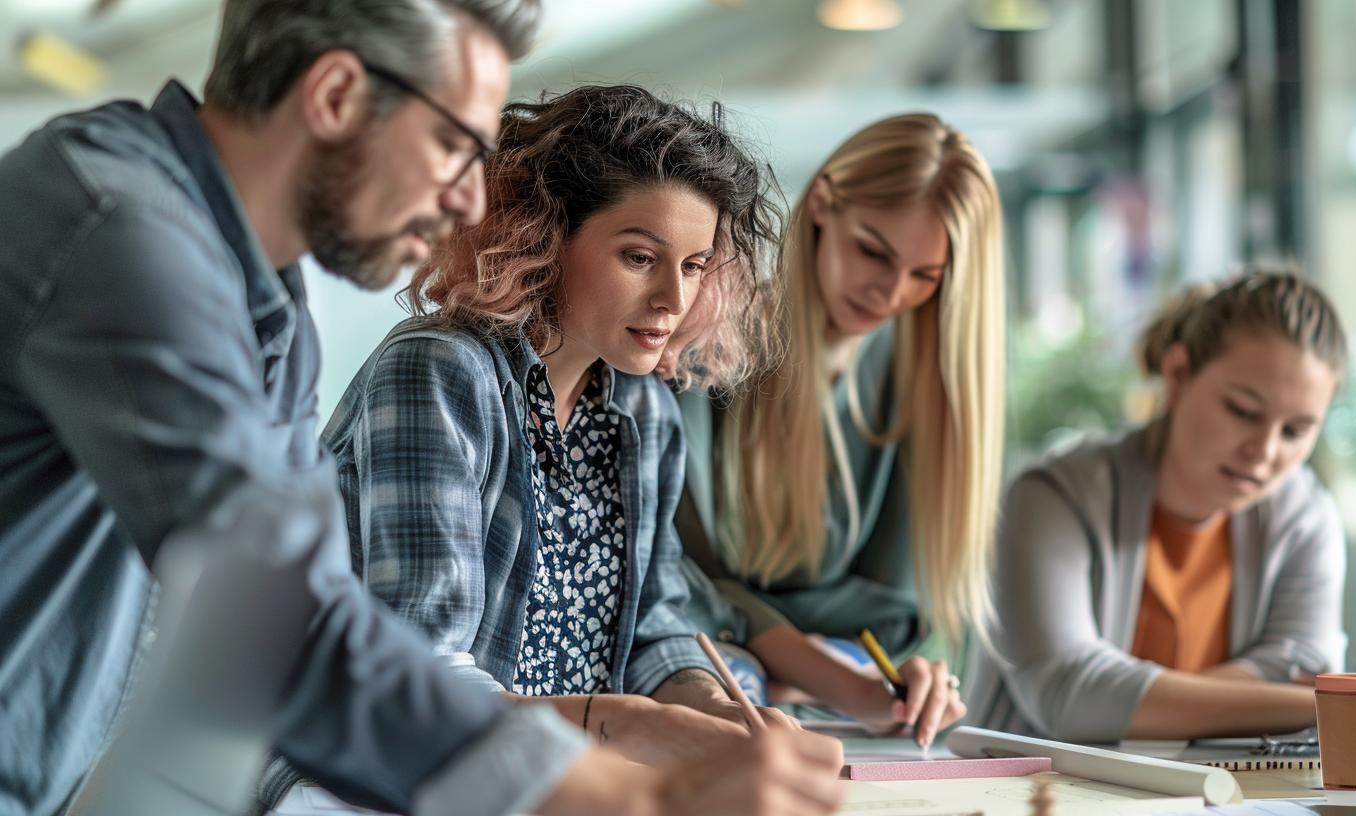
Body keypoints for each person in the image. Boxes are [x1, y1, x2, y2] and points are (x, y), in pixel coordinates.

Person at [0, 1, 841, 814]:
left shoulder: (270, 304)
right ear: (334, 97)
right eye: (452, 144)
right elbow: (285, 625)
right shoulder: (120, 232)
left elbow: (304, 607)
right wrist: (637, 795)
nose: (473, 202)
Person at [256, 83, 799, 806]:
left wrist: (706, 703)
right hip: (373, 779)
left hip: (556, 783)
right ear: (541, 238)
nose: (675, 298)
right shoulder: (439, 374)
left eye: (695, 266)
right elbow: (420, 679)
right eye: (641, 257)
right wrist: (620, 726)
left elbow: (653, 628)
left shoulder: (645, 412)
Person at [971, 270, 1356, 742]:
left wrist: (1120, 700)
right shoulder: (1051, 498)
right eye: (1243, 411)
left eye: (1295, 431)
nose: (1265, 452)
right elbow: (1069, 697)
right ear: (1176, 374)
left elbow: (1306, 665)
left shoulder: (1305, 516)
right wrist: (1337, 705)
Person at [671, 113, 1005, 747]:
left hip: (842, 717)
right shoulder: (694, 352)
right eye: (873, 251)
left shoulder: (924, 394)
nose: (888, 292)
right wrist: (829, 668)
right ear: (821, 205)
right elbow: (685, 585)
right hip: (720, 698)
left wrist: (799, 654)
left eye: (925, 277)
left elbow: (897, 614)